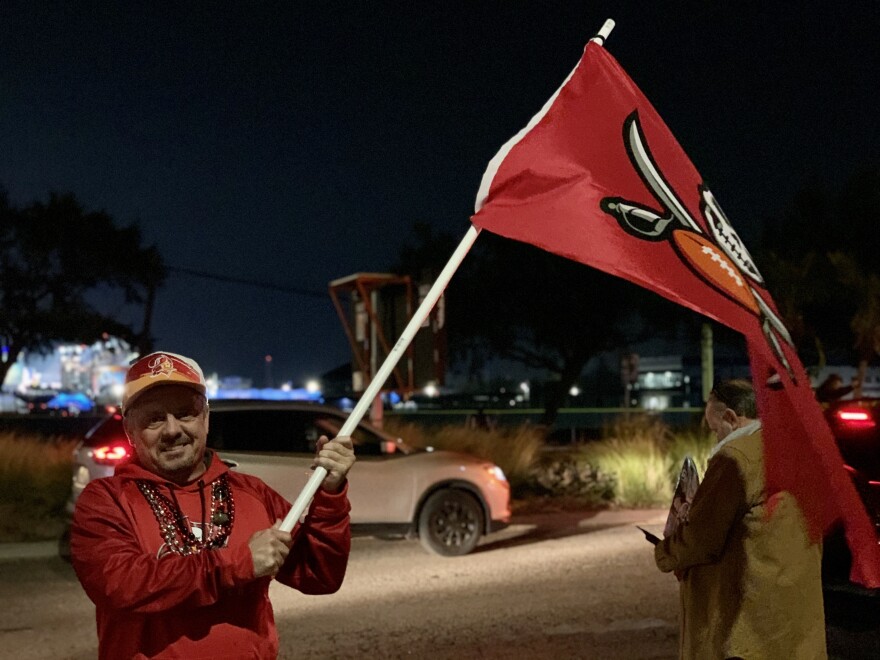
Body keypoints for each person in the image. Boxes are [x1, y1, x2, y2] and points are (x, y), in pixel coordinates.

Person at [70, 351, 356, 659]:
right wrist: (239, 564)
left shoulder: (252, 493)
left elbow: (320, 575)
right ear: (130, 430)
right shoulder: (105, 499)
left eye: (185, 414)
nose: (172, 429)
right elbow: (121, 585)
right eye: (154, 418)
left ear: (205, 418)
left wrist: (330, 494)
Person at [653, 379, 826, 660]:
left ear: (731, 417)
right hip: (791, 614)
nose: (715, 438)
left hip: (748, 624)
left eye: (714, 429)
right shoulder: (795, 450)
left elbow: (701, 538)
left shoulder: (736, 457)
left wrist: (666, 552)